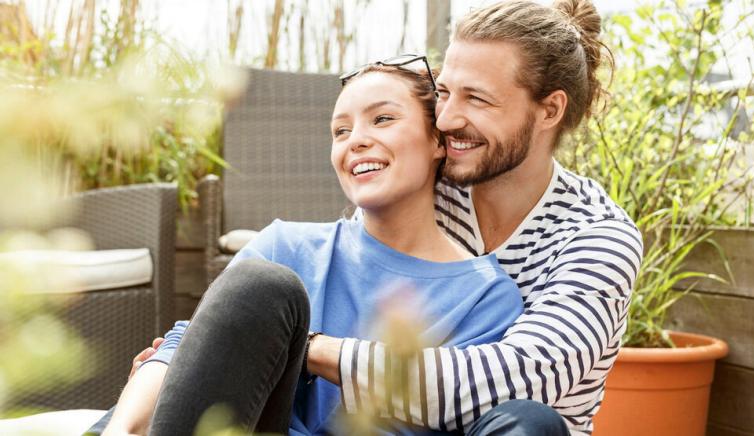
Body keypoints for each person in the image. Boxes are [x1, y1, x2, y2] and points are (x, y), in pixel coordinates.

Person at [133, 0, 643, 434]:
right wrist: (208, 354)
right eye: (444, 92)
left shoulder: (598, 237)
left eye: (477, 99)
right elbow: (340, 276)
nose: (445, 119)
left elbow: (515, 378)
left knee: (529, 420)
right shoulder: (436, 185)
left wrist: (300, 346)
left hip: (499, 422)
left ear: (549, 110)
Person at [95, 56, 546, 435]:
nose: (357, 141)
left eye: (383, 119)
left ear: (437, 141)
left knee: (533, 422)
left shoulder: (486, 300)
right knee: (260, 286)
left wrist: (306, 349)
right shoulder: (285, 246)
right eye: (340, 131)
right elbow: (182, 347)